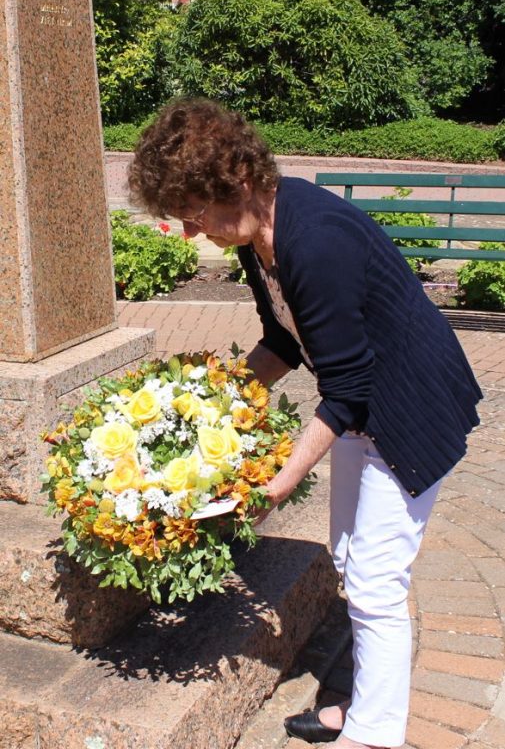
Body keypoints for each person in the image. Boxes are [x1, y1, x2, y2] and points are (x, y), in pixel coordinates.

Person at [128, 98, 482, 749]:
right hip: (364, 406)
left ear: (232, 181)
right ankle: (369, 703)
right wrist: (215, 402)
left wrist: (281, 479)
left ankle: (373, 736)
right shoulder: (260, 238)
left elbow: (346, 386)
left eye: (194, 215)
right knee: (353, 560)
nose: (192, 232)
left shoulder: (312, 239)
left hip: (407, 408)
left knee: (376, 577)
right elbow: (285, 341)